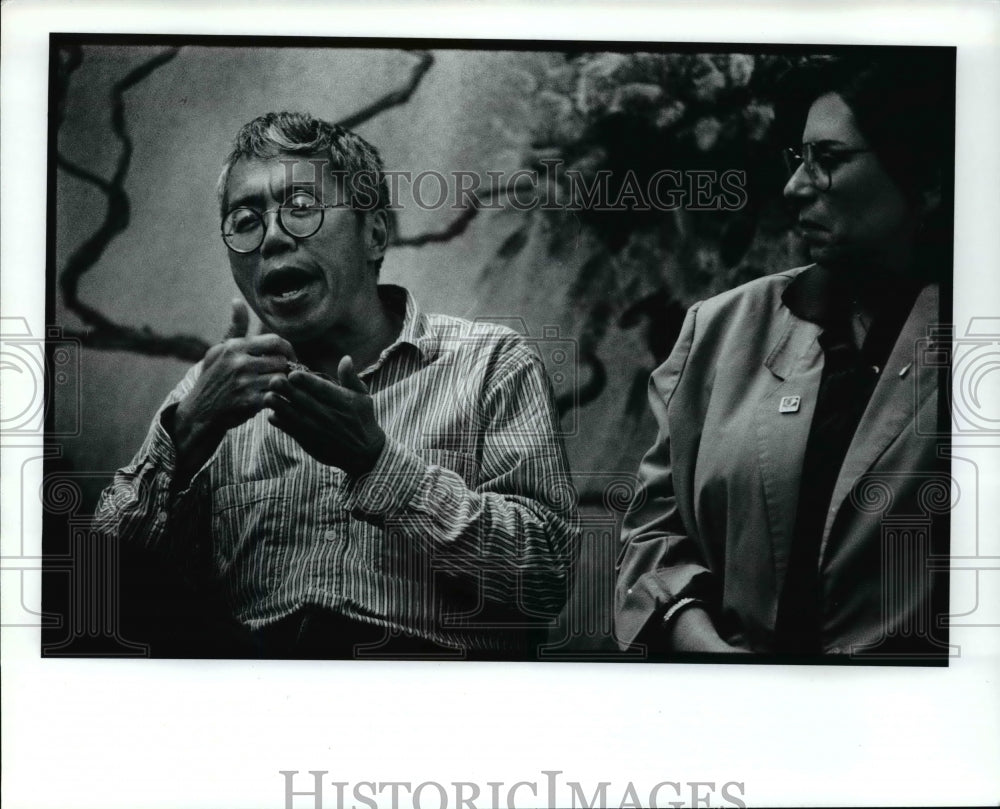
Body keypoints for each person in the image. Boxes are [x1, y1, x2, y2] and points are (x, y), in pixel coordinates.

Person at [94, 111, 578, 660]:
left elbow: (546, 579)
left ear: (374, 232)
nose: (273, 236)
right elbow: (101, 597)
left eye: (301, 207)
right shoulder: (209, 393)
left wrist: (378, 465)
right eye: (245, 219)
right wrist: (183, 439)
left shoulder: (490, 363)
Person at [614, 54, 953, 658]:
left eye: (828, 161)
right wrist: (697, 637)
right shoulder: (721, 329)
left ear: (924, 174)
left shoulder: (974, 339)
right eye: (799, 160)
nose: (796, 187)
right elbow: (655, 534)